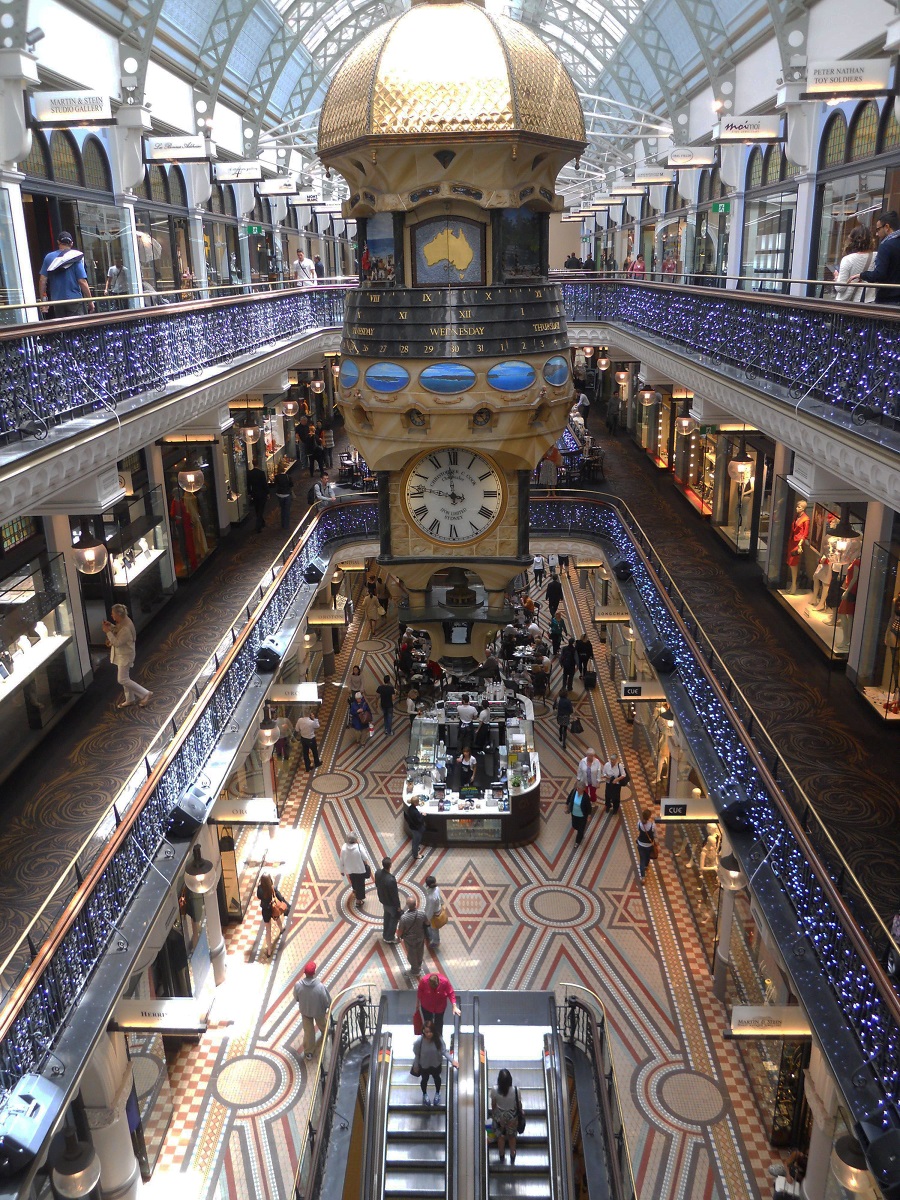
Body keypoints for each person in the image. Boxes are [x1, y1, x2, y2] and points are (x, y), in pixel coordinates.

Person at [103, 603, 152, 708]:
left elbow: (117, 642)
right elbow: (118, 630)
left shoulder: (126, 628)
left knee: (122, 679)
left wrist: (108, 632)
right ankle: (130, 699)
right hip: (123, 655)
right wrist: (111, 626)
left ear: (118, 614)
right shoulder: (124, 620)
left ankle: (145, 693)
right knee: (125, 677)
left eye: (113, 614)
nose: (111, 616)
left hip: (125, 656)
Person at [38, 231, 95, 319]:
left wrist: (44, 302)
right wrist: (90, 301)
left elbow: (42, 281)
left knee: (62, 325)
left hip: (57, 301)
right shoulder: (75, 257)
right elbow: (82, 281)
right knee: (76, 325)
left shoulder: (49, 257)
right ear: (71, 243)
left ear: (58, 242)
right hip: (74, 299)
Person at [857, 210, 900, 303]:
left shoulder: (886, 246)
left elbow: (879, 275)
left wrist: (862, 275)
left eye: (878, 229)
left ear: (887, 227)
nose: (876, 234)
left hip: (888, 300)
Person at [412, 1020, 458, 1107]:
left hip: (436, 1064)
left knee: (437, 1078)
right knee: (424, 1080)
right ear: (423, 1031)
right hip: (424, 1065)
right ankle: (425, 1094)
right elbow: (417, 1054)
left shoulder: (438, 1039)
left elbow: (444, 1051)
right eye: (426, 1032)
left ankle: (437, 1093)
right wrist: (416, 1065)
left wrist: (452, 1061)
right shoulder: (420, 1041)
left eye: (430, 1032)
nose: (428, 1034)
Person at [293, 961, 331, 1059]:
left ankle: (309, 1052)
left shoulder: (298, 985)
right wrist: (327, 1007)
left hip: (305, 1011)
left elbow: (296, 997)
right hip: (318, 1011)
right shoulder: (320, 987)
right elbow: (326, 1000)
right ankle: (326, 1033)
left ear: (304, 972)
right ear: (314, 973)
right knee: (322, 1024)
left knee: (308, 1032)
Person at [834, 226, 876, 303]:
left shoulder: (847, 259)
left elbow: (840, 288)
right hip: (868, 302)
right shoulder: (877, 256)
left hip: (848, 304)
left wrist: (836, 277)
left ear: (851, 240)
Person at [417, 970, 460, 1036]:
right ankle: (428, 1037)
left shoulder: (445, 982)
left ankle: (438, 1037)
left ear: (439, 982)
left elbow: (450, 993)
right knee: (428, 1023)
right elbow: (420, 991)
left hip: (440, 1006)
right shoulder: (424, 981)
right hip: (427, 1005)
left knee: (439, 1023)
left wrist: (454, 1006)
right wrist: (417, 1003)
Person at [491, 1068, 520, 1166]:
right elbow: (519, 1105)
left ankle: (501, 1155)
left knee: (500, 1137)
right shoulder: (516, 1090)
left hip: (500, 1117)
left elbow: (493, 1105)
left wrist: (495, 1116)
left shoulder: (494, 1090)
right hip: (512, 1117)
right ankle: (512, 1154)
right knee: (512, 1137)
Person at [398, 894, 430, 977]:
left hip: (409, 939)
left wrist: (398, 937)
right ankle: (419, 964)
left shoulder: (404, 917)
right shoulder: (422, 913)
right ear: (415, 904)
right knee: (420, 951)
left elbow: (400, 930)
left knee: (411, 954)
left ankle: (415, 970)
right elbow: (427, 923)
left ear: (407, 905)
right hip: (420, 936)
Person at [256, 871, 287, 958]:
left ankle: (269, 950)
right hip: (273, 908)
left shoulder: (260, 890)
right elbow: (279, 896)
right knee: (277, 919)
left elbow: (258, 897)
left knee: (268, 930)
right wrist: (284, 902)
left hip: (265, 911)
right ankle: (281, 929)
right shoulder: (272, 888)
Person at [339, 831, 372, 908]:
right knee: (360, 884)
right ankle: (358, 900)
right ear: (355, 839)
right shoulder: (359, 847)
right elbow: (365, 858)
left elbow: (341, 860)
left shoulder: (344, 847)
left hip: (349, 870)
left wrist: (342, 870)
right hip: (359, 869)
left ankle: (355, 889)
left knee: (353, 880)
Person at [374, 857, 401, 942]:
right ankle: (389, 938)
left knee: (386, 918)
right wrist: (398, 906)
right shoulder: (391, 879)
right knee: (393, 920)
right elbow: (394, 895)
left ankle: (385, 934)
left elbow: (376, 884)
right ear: (390, 865)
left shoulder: (378, 873)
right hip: (391, 903)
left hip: (383, 900)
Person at [566, 781, 592, 845]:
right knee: (574, 826)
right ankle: (580, 833)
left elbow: (589, 807)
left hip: (582, 816)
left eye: (579, 788)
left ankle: (577, 841)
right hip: (574, 814)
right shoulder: (574, 791)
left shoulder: (585, 797)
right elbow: (569, 798)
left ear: (583, 789)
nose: (577, 789)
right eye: (577, 788)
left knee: (580, 829)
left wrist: (589, 815)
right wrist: (566, 805)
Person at [422, 875, 444, 948]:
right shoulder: (437, 888)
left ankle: (436, 942)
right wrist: (441, 903)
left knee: (434, 928)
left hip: (434, 913)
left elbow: (430, 910)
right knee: (433, 927)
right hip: (438, 909)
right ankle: (431, 936)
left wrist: (427, 919)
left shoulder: (431, 897)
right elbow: (440, 897)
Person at [247, 463, 269, 533]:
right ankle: (258, 526)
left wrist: (249, 493)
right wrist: (268, 492)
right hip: (262, 493)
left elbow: (248, 484)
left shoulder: (250, 473)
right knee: (261, 510)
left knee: (257, 509)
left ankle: (262, 522)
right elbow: (264, 484)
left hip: (254, 494)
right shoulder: (261, 473)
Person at [636, 808, 657, 882]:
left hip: (641, 844)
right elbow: (655, 835)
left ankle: (643, 877)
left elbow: (638, 830)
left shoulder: (639, 823)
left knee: (642, 859)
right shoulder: (652, 825)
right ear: (649, 817)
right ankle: (646, 866)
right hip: (649, 845)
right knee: (647, 856)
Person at [404, 794, 426, 863]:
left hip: (412, 827)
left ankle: (414, 849)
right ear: (415, 803)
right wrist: (422, 815)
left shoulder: (410, 808)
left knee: (415, 840)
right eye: (417, 802)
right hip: (416, 829)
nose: (418, 803)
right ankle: (416, 854)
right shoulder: (415, 812)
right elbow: (419, 821)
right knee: (416, 841)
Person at [273, 464, 294, 530]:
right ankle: (286, 525)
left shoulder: (276, 477)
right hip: (287, 494)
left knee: (282, 509)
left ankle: (282, 523)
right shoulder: (288, 477)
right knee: (287, 510)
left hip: (279, 495)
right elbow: (291, 485)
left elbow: (275, 485)